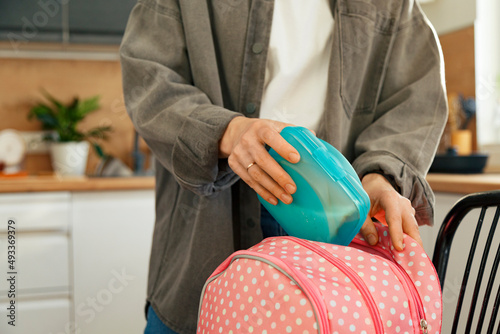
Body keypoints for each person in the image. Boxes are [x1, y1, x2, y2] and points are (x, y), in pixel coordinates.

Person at [120, 0, 448, 333]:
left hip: (338, 226)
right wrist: (229, 132)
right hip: (205, 233)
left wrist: (380, 176)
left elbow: (416, 97)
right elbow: (149, 79)